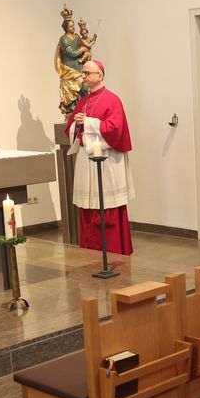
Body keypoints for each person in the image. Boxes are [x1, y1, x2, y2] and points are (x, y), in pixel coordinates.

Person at [64, 59, 134, 255]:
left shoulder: (112, 100)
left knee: (107, 207)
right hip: (87, 163)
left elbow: (115, 130)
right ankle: (90, 252)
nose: (83, 76)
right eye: (83, 73)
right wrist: (78, 125)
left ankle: (113, 251)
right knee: (88, 206)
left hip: (107, 161)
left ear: (99, 76)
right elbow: (70, 129)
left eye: (87, 73)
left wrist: (88, 123)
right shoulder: (83, 102)